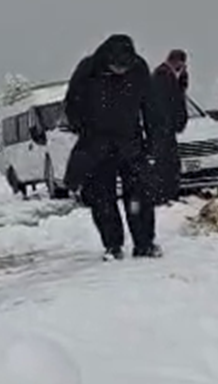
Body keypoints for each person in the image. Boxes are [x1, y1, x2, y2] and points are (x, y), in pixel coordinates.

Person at [63, 34, 165, 260]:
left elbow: (151, 107)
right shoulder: (88, 69)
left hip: (131, 141)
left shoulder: (138, 69)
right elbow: (72, 103)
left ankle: (144, 243)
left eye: (124, 68)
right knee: (102, 198)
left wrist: (153, 142)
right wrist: (83, 128)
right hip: (97, 143)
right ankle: (112, 245)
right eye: (116, 67)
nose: (121, 71)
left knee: (139, 195)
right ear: (107, 60)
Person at [151, 49, 190, 203]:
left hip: (165, 128)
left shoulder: (170, 76)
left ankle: (169, 194)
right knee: (166, 163)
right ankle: (164, 195)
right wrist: (168, 123)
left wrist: (182, 81)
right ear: (177, 61)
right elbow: (165, 103)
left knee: (170, 163)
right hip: (162, 128)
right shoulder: (162, 75)